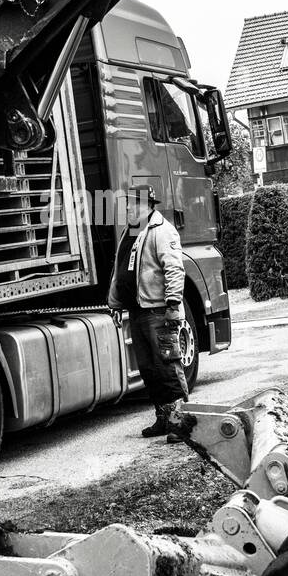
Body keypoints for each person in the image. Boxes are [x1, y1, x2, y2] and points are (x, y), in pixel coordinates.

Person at [108, 184, 190, 438]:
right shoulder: (130, 232)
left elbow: (174, 269)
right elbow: (120, 269)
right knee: (149, 370)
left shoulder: (162, 231)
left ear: (146, 204)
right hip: (138, 311)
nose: (127, 208)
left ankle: (181, 423)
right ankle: (164, 418)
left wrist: (174, 305)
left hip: (158, 312)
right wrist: (114, 302)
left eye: (131, 203)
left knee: (167, 367)